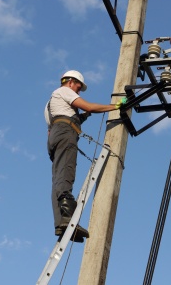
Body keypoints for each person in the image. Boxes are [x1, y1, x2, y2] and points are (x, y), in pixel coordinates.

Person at [44, 70, 124, 242]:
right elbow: (89, 107)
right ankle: (68, 216)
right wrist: (115, 106)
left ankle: (61, 223)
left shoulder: (51, 104)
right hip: (65, 133)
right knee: (66, 171)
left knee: (58, 179)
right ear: (70, 82)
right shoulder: (64, 91)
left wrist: (83, 117)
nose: (78, 91)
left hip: (55, 136)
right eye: (78, 87)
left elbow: (71, 117)